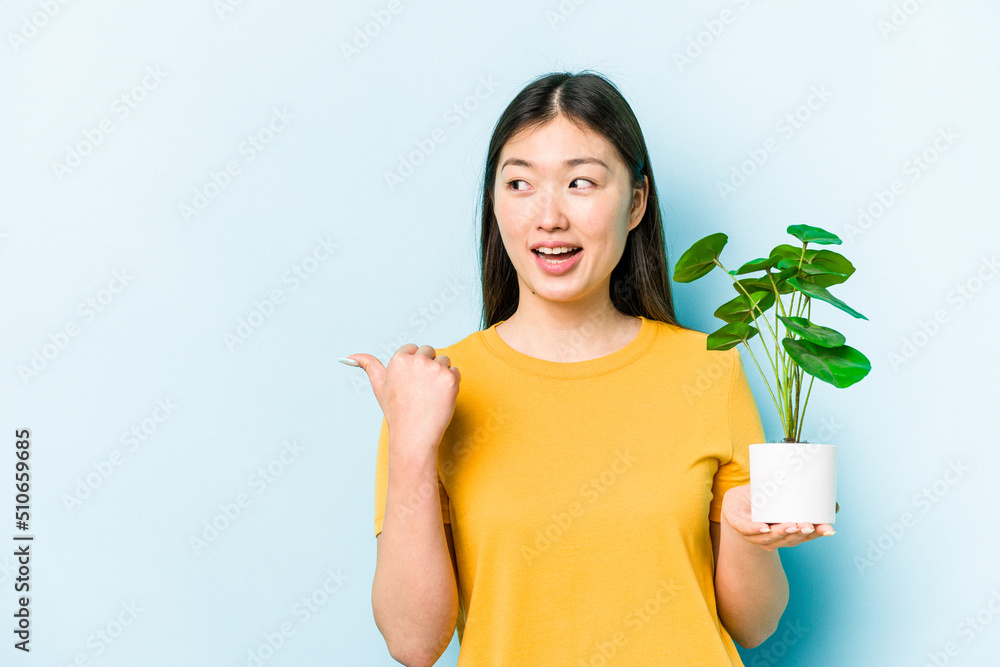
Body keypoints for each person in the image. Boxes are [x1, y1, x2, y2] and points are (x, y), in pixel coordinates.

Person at [342, 70, 836, 666]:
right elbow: (412, 644)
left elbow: (756, 626)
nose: (549, 216)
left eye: (581, 182)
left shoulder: (708, 368)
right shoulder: (433, 390)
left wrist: (739, 529)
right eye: (520, 183)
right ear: (494, 205)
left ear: (635, 203)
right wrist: (412, 449)